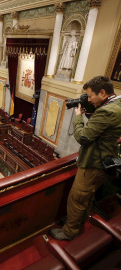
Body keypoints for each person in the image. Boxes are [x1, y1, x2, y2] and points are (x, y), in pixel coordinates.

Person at [50, 76, 121, 241]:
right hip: (105, 161)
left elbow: (83, 137)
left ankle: (70, 231)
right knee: (87, 197)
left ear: (102, 92)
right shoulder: (117, 104)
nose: (89, 100)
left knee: (77, 198)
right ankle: (79, 220)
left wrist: (77, 116)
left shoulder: (106, 111)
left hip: (92, 164)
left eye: (90, 96)